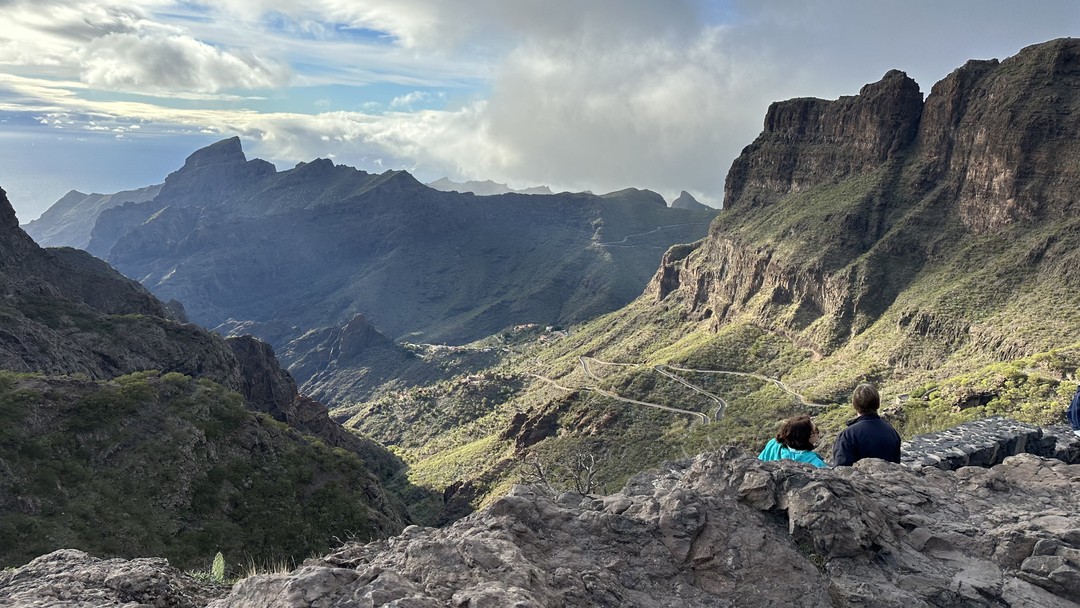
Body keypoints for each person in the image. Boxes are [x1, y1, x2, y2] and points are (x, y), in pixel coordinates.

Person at [832, 383, 901, 466]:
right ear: (878, 404)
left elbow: (841, 470)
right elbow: (896, 466)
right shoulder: (892, 432)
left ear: (854, 404)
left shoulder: (848, 435)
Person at [758, 415, 828, 468]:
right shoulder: (815, 462)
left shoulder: (773, 444)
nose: (818, 433)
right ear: (805, 437)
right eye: (815, 431)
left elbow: (759, 463)